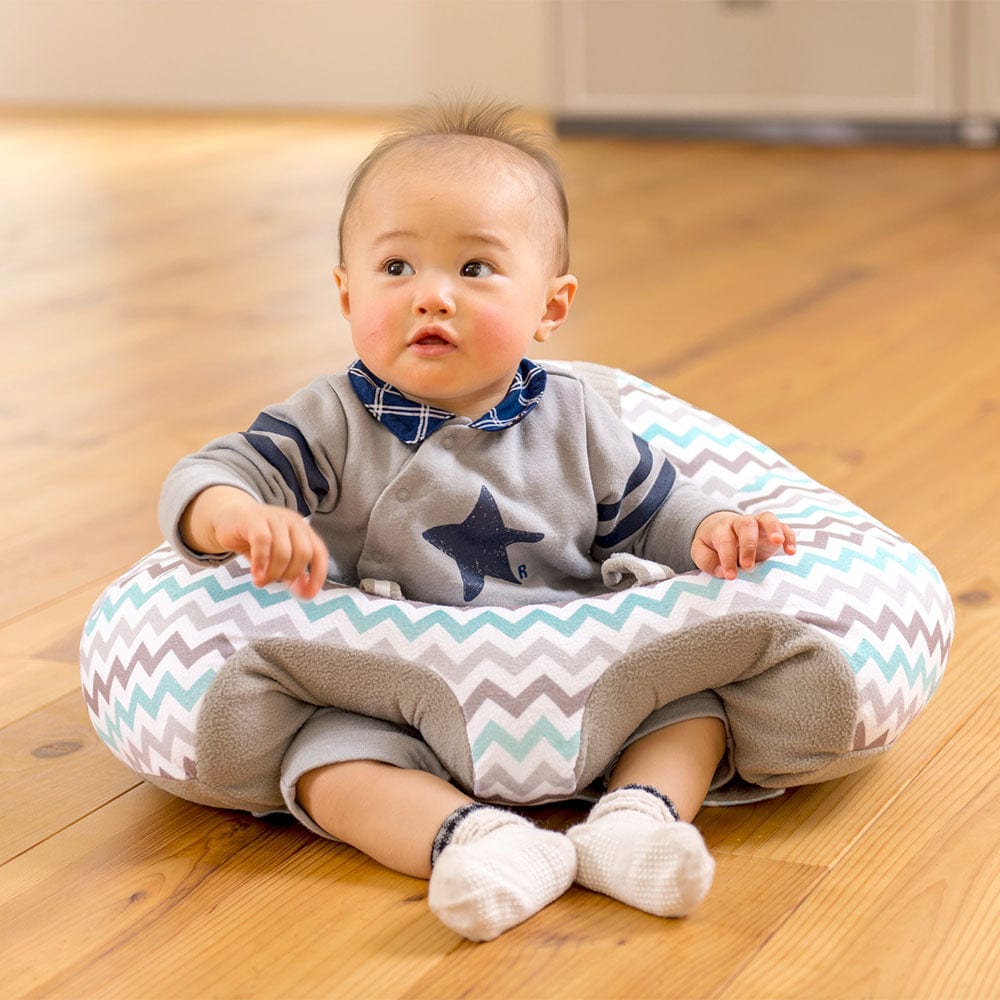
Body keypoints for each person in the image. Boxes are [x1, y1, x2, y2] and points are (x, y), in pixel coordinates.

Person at [159, 99, 797, 941]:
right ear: (346, 295)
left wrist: (712, 529)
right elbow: (207, 474)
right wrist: (236, 517)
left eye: (475, 268)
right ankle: (475, 841)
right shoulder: (329, 423)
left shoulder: (576, 418)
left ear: (550, 306)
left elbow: (655, 510)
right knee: (323, 761)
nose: (432, 296)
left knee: (694, 708)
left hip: (575, 677)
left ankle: (634, 823)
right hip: (402, 694)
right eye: (395, 269)